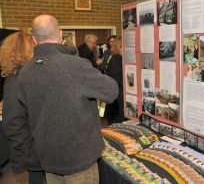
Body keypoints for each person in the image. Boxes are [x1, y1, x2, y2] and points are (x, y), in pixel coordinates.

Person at [17, 15, 119, 184]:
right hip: (79, 159)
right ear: (60, 34)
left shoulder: (25, 72)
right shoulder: (75, 65)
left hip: (48, 156)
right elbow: (111, 91)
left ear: (34, 39)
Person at [0, 32, 45, 184]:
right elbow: (12, 123)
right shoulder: (16, 81)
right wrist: (31, 153)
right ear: (24, 51)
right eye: (34, 46)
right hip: (34, 153)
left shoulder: (25, 76)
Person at [104, 35, 124, 124]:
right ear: (119, 46)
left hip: (118, 98)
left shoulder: (120, 59)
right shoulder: (116, 59)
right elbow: (118, 80)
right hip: (117, 100)